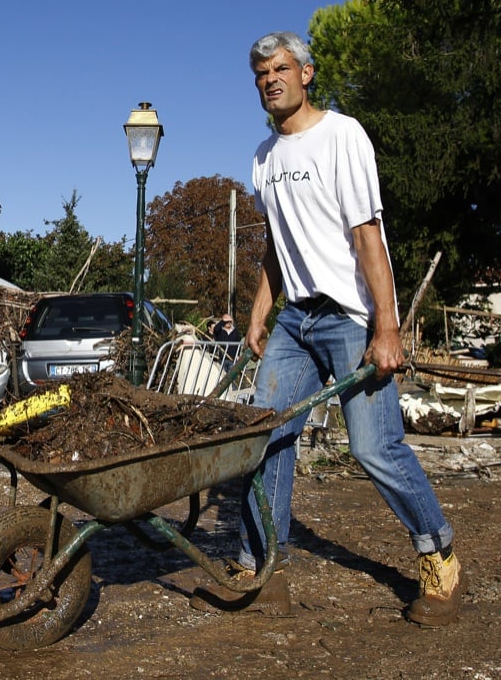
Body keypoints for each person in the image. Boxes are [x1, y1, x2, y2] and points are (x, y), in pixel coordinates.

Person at [190, 31, 464, 626]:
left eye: (280, 69)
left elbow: (369, 236)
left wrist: (387, 328)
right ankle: (263, 568)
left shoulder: (343, 136)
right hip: (295, 319)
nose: (269, 80)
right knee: (267, 434)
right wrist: (260, 310)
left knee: (373, 446)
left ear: (307, 73)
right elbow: (275, 243)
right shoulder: (263, 157)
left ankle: (437, 550)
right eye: (260, 74)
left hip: (349, 316)